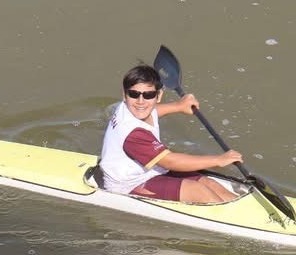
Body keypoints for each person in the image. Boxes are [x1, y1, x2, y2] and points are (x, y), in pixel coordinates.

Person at [99, 64, 242, 204]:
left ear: (158, 95)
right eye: (134, 94)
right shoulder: (133, 134)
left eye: (149, 95)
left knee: (209, 183)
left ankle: (242, 211)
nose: (140, 102)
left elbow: (152, 111)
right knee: (198, 191)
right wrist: (218, 160)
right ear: (125, 94)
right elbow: (170, 161)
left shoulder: (130, 107)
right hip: (128, 185)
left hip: (150, 170)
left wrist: (178, 106)